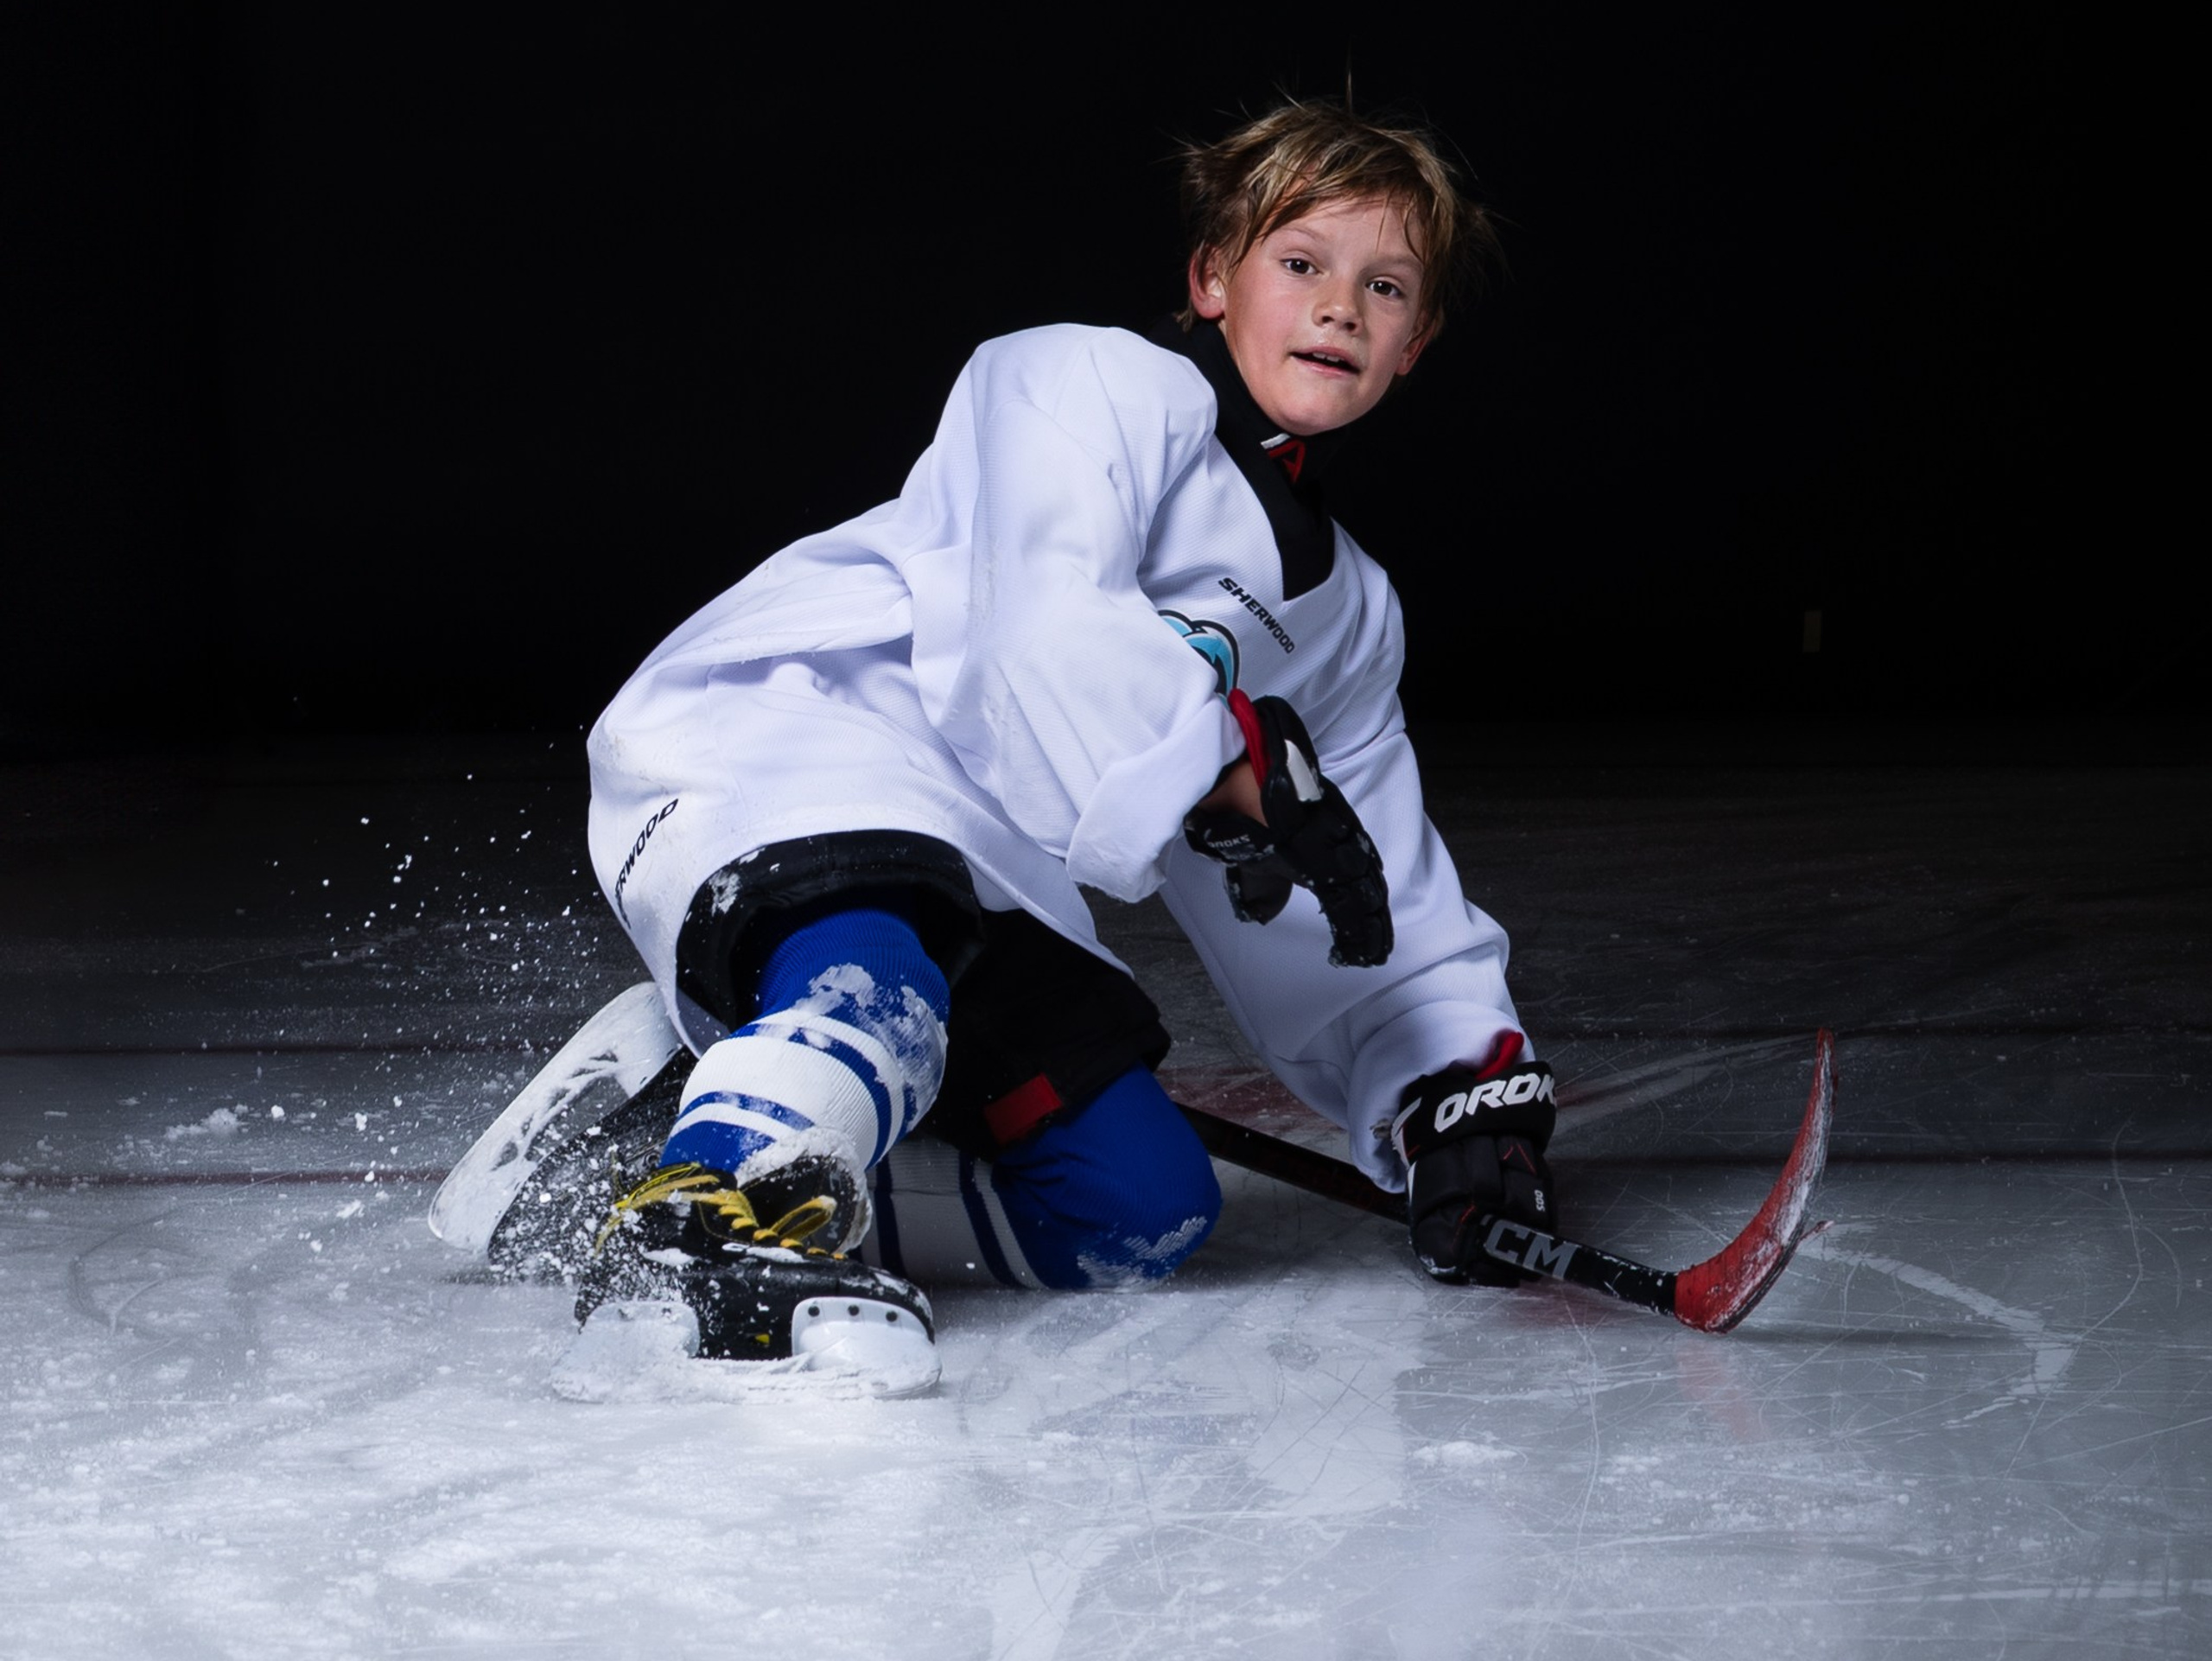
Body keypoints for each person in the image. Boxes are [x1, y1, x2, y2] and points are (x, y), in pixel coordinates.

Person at [446, 99, 1559, 1380]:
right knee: (888, 962)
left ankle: (656, 1151)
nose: (1339, 308)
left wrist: (1455, 1097)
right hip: (801, 733)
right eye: (1300, 264)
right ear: (1210, 280)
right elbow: (1038, 628)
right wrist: (1228, 768)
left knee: (1140, 1203)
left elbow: (1362, 889)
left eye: (1386, 287)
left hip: (983, 867)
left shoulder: (1347, 618)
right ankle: (717, 1203)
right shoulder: (1080, 380)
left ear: (1415, 342)